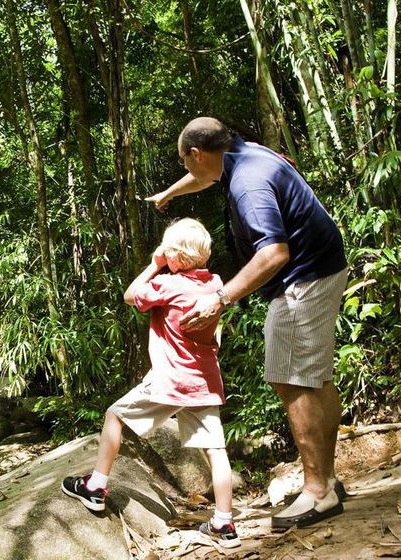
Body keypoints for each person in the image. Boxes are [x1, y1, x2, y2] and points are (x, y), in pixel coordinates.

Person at [145, 117, 348, 529]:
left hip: (301, 281)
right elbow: (201, 178)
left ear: (197, 154)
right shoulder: (243, 153)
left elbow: (274, 253)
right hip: (325, 267)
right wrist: (170, 192)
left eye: (187, 164)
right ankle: (327, 480)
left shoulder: (248, 183)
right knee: (315, 377)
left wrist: (221, 297)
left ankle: (317, 492)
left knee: (292, 380)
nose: (189, 173)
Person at [61, 218, 241, 549]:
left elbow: (130, 295)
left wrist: (153, 265)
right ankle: (224, 524)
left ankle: (96, 487)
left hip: (170, 380)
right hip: (203, 382)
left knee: (114, 415)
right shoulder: (215, 283)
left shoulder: (168, 284)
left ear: (173, 255)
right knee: (216, 451)